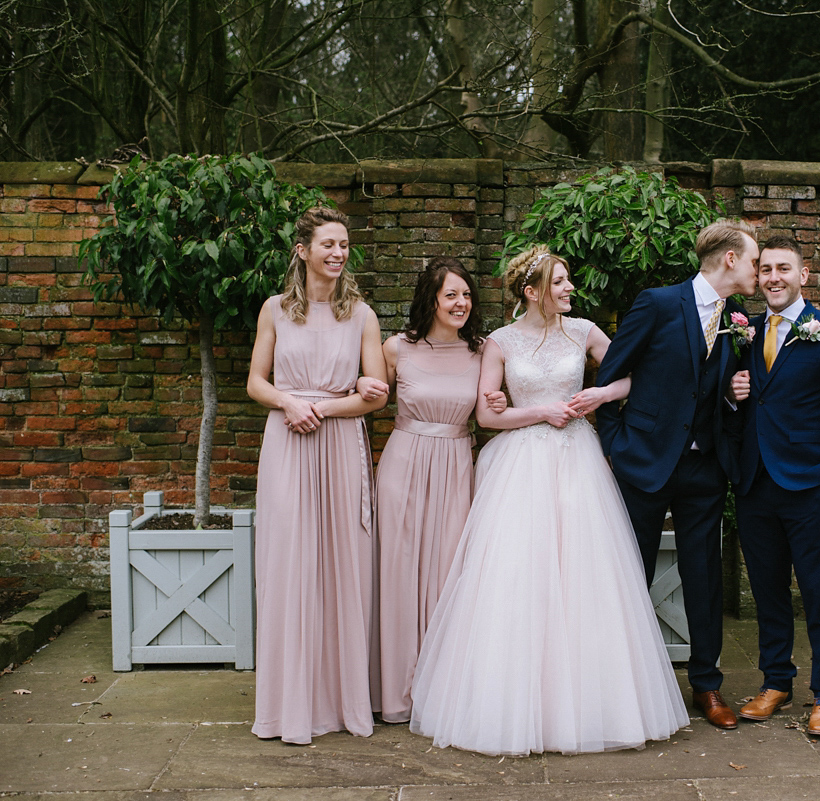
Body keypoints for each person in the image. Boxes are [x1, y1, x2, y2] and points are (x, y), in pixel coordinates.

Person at [409, 245, 688, 756]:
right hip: (521, 465)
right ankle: (516, 706)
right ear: (531, 291)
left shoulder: (584, 332)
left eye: (568, 280)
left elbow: (634, 375)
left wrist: (600, 396)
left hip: (578, 461)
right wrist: (541, 413)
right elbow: (487, 416)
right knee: (519, 579)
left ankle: (588, 704)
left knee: (584, 578)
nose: (568, 289)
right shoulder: (499, 342)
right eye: (558, 282)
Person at [595, 219, 757, 730]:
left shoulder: (739, 318)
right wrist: (615, 447)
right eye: (754, 260)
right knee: (629, 573)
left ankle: (707, 686)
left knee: (704, 577)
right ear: (730, 259)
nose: (758, 270)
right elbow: (611, 376)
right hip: (642, 463)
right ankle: (617, 683)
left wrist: (733, 398)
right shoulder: (659, 303)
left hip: (703, 468)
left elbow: (718, 392)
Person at [247, 206, 389, 744]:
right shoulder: (276, 310)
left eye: (345, 245)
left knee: (342, 564)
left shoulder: (363, 316)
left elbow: (374, 395)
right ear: (302, 250)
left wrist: (323, 408)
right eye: (328, 244)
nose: (338, 253)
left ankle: (343, 704)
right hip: (287, 442)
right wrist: (288, 401)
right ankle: (289, 709)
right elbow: (255, 382)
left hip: (337, 440)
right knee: (289, 564)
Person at [354, 257, 505, 725]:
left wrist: (499, 399)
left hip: (456, 464)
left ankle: (442, 691)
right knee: (398, 573)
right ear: (431, 300)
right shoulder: (397, 347)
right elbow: (371, 397)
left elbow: (492, 405)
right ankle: (396, 695)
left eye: (466, 295)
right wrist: (362, 380)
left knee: (448, 575)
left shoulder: (482, 351)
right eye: (451, 295)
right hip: (404, 462)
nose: (461, 303)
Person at [733, 235, 820, 736]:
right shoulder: (742, 334)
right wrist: (733, 395)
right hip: (754, 486)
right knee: (768, 593)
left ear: (803, 274)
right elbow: (744, 404)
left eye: (783, 268)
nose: (773, 277)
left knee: (819, 594)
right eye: (765, 269)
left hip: (811, 488)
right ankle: (776, 682)